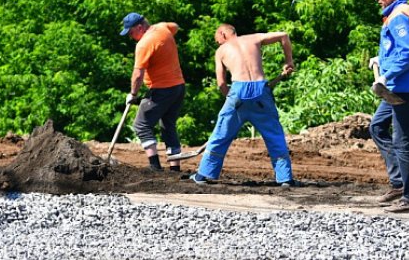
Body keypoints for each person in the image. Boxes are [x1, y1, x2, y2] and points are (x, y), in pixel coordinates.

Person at [190, 24, 296, 187]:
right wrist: (289, 61)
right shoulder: (253, 38)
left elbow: (221, 82)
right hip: (261, 90)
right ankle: (285, 178)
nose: (217, 43)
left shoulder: (221, 51)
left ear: (223, 33)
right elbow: (283, 35)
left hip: (238, 91)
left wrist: (230, 97)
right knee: (274, 134)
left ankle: (204, 174)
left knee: (221, 133)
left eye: (216, 38)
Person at [368, 0, 409, 213]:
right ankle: (398, 182)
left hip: (403, 88)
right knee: (377, 127)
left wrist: (386, 75)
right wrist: (380, 60)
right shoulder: (398, 13)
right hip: (396, 88)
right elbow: (398, 50)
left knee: (402, 142)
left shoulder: (399, 15)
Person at [119, 12, 186, 172]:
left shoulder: (144, 44)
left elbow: (138, 75)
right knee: (168, 125)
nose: (130, 36)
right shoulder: (163, 28)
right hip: (179, 87)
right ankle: (175, 168)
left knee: (141, 125)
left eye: (131, 32)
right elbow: (175, 26)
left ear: (140, 27)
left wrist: (133, 94)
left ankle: (154, 166)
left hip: (162, 89)